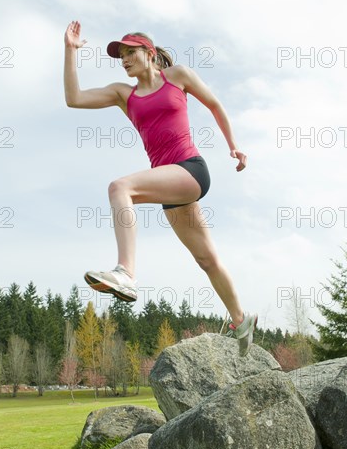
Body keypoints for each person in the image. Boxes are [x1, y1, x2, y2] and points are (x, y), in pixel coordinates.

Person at [63, 20, 257, 356]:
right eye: (120, 56)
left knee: (120, 187)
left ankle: (126, 272)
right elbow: (74, 98)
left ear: (149, 53)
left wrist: (234, 146)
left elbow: (214, 104)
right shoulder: (124, 94)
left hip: (190, 171)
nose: (124, 59)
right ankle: (241, 320)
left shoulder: (177, 76)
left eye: (130, 52)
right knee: (206, 259)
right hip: (170, 186)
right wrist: (70, 51)